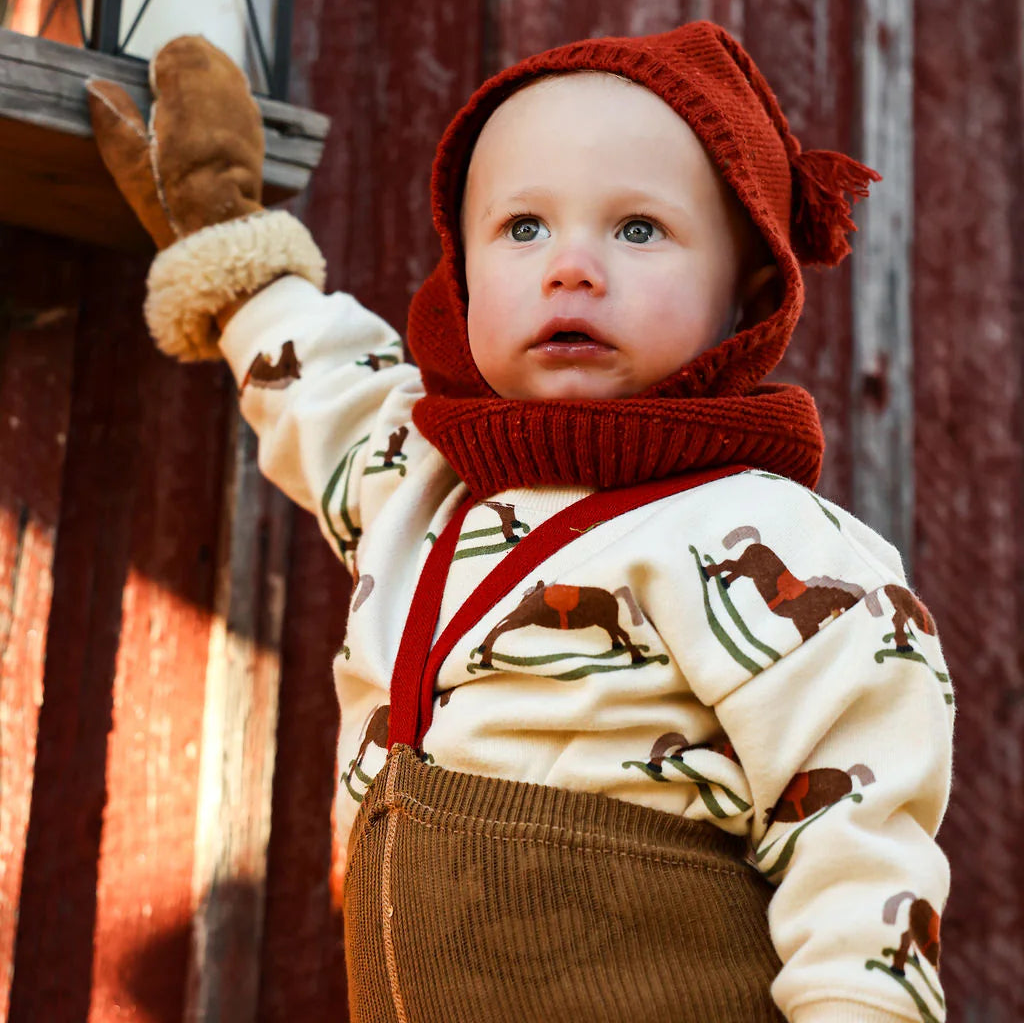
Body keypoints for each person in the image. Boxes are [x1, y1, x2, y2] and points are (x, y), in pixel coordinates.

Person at [87, 21, 953, 1024]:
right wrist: (227, 251)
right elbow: (317, 382)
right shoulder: (417, 477)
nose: (571, 267)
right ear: (462, 275)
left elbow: (859, 845)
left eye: (637, 229)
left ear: (747, 289)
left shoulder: (781, 541)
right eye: (522, 227)